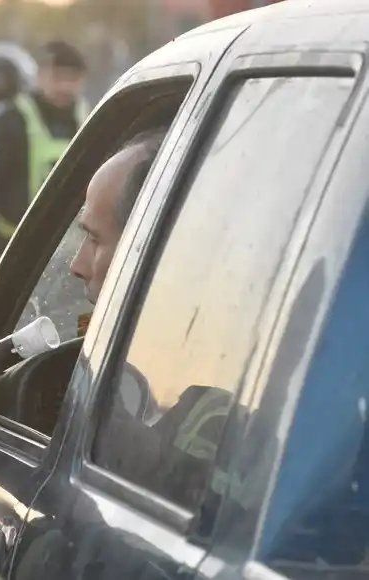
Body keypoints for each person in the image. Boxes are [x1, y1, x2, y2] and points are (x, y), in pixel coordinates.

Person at [70, 128, 238, 511]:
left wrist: (144, 457)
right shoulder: (217, 370)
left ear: (153, 249)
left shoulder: (218, 414)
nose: (76, 265)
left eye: (95, 240)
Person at [0, 40, 90, 285]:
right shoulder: (10, 123)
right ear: (40, 76)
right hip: (15, 250)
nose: (65, 86)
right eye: (58, 77)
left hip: (73, 252)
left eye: (72, 78)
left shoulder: (91, 117)